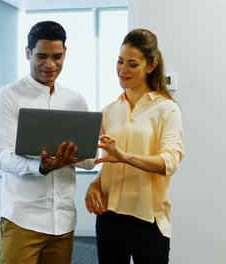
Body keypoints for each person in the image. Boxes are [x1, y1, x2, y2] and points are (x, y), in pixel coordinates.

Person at [0, 20, 95, 263]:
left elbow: (89, 162)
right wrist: (42, 166)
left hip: (63, 220)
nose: (50, 64)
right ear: (28, 53)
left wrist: (94, 148)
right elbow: (3, 157)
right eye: (41, 56)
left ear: (65, 53)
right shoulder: (7, 97)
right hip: (23, 219)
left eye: (57, 56)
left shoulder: (76, 101)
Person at [84, 28, 184, 264]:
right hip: (109, 218)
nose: (123, 70)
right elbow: (108, 162)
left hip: (148, 222)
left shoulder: (167, 109)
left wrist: (125, 156)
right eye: (120, 62)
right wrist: (95, 184)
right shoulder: (109, 111)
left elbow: (169, 162)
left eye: (132, 64)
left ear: (151, 66)